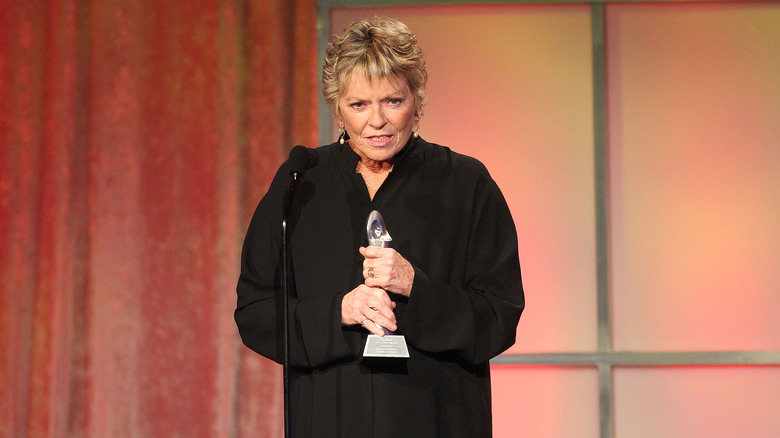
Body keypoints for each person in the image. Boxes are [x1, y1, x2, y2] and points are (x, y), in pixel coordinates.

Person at [235, 16, 524, 437]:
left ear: (417, 100)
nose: (377, 122)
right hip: (329, 417)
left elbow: (500, 316)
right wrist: (339, 311)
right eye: (358, 105)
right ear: (337, 107)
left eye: (392, 101)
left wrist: (416, 287)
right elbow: (256, 312)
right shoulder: (301, 182)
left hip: (438, 416)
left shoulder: (465, 182)